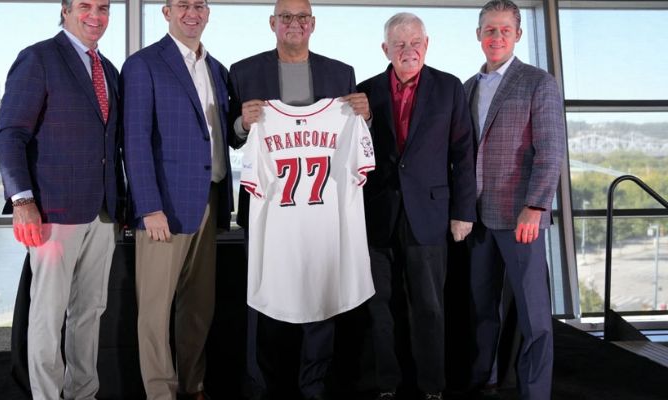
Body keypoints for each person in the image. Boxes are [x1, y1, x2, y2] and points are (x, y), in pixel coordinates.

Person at [228, 1, 370, 399]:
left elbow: (351, 134)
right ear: (273, 23)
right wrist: (242, 123)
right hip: (269, 207)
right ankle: (260, 385)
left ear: (313, 24)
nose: (294, 24)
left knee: (320, 292)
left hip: (321, 209)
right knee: (262, 292)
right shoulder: (243, 71)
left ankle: (314, 385)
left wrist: (366, 117)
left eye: (301, 17)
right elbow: (230, 134)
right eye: (286, 17)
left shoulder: (340, 73)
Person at [0, 0, 120, 399]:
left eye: (103, 7)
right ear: (65, 10)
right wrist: (22, 201)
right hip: (53, 212)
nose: (95, 15)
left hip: (101, 212)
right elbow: (10, 134)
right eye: (85, 6)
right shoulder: (38, 59)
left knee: (90, 312)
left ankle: (83, 392)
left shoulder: (109, 70)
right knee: (47, 316)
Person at [357, 12, 476, 400]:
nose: (408, 50)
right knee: (380, 308)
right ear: (385, 49)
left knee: (429, 306)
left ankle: (432, 387)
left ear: (427, 45)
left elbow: (463, 152)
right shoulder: (365, 91)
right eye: (399, 44)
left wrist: (463, 211)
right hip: (377, 214)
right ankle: (387, 385)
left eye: (415, 43)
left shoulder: (448, 88)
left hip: (430, 213)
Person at [121, 0, 233, 399]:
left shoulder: (216, 69)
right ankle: (160, 392)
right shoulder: (143, 65)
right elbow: (134, 141)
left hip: (209, 200)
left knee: (198, 307)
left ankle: (193, 384)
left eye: (199, 5)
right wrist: (148, 206)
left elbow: (223, 136)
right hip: (163, 207)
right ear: (166, 11)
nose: (192, 12)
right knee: (154, 311)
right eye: (183, 4)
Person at [464, 1, 565, 399]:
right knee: (481, 310)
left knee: (534, 317)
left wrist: (536, 206)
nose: (497, 37)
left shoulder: (538, 82)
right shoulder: (466, 87)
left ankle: (534, 392)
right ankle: (484, 381)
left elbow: (552, 149)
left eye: (505, 30)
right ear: (478, 35)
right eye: (490, 30)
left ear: (518, 35)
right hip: (477, 218)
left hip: (521, 216)